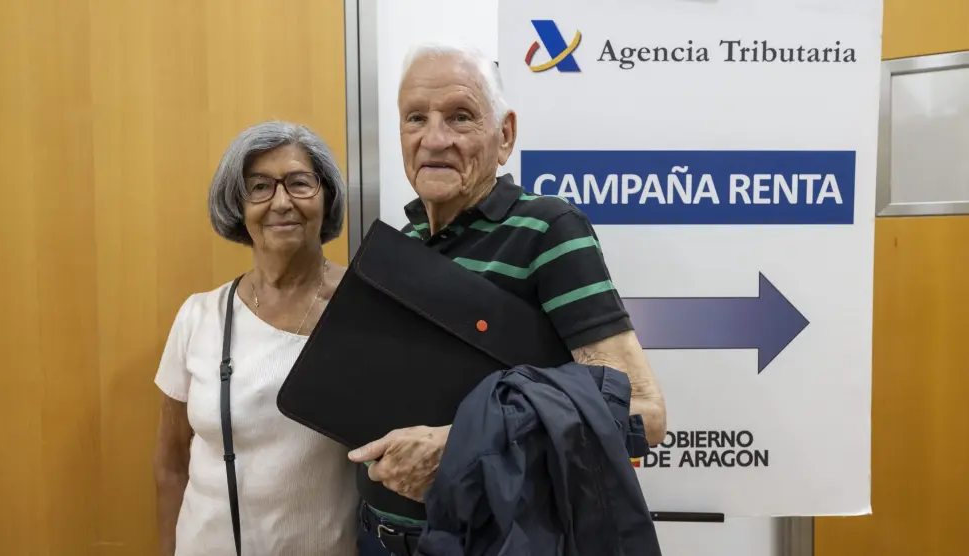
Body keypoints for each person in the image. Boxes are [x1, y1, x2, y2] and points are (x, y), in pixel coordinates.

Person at [350, 43, 668, 555]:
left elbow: (642, 413)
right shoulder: (402, 243)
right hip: (375, 536)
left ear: (505, 136)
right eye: (416, 118)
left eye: (460, 117)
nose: (434, 138)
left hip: (488, 540)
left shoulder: (548, 230)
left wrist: (459, 448)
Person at [152, 121, 359, 556]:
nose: (281, 202)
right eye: (259, 187)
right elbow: (171, 464)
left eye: (299, 183)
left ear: (327, 196)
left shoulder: (364, 309)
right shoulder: (199, 316)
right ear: (237, 204)